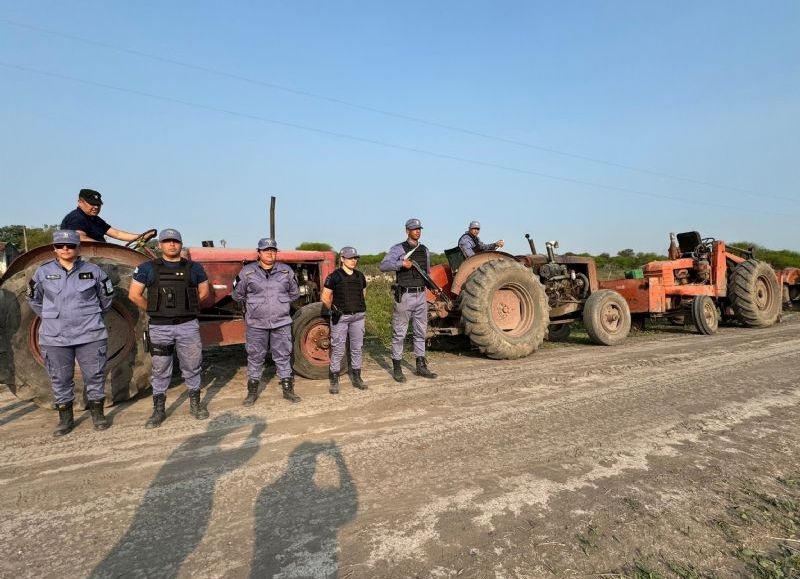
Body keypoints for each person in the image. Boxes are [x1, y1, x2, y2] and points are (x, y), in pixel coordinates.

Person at [27, 229, 114, 436]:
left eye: (70, 245)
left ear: (79, 248)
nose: (65, 249)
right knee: (60, 378)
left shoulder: (94, 271)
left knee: (95, 375)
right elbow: (33, 299)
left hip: (90, 334)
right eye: (60, 246)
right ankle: (65, 420)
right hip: (55, 337)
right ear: (54, 248)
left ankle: (97, 415)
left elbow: (107, 298)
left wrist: (90, 316)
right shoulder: (42, 272)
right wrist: (51, 316)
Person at [128, 228, 210, 428]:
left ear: (180, 244)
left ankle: (196, 405)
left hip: (187, 325)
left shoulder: (194, 268)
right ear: (160, 245)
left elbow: (204, 292)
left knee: (192, 365)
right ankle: (158, 410)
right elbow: (134, 295)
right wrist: (156, 310)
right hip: (160, 327)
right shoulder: (147, 268)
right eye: (167, 241)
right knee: (160, 368)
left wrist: (187, 307)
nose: (171, 244)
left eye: (175, 241)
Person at [232, 238, 301, 405]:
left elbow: (295, 293)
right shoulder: (247, 272)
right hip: (256, 323)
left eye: (273, 250)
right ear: (259, 252)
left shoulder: (286, 271)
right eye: (266, 250)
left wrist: (279, 304)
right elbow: (237, 294)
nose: (270, 253)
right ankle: (252, 391)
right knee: (255, 357)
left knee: (283, 355)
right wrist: (256, 306)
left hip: (281, 322)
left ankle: (287, 389)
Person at [379, 218, 437, 382]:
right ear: (407, 231)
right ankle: (397, 369)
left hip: (421, 295)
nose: (417, 231)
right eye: (414, 229)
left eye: (419, 229)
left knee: (420, 332)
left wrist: (431, 287)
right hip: (404, 295)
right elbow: (383, 265)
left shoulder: (424, 250)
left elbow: (426, 272)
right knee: (400, 333)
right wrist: (400, 264)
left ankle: (421, 366)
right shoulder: (399, 249)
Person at [321, 246, 369, 394]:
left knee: (357, 348)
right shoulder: (334, 276)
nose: (353, 261)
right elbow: (325, 297)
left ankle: (356, 376)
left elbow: (363, 293)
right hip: (341, 318)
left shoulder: (360, 276)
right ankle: (334, 378)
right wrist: (334, 310)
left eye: (355, 258)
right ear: (342, 259)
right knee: (338, 349)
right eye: (350, 258)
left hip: (358, 317)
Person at [61, 188, 145, 243]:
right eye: (92, 204)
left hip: (98, 255)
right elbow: (80, 238)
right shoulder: (76, 217)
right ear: (80, 202)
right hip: (83, 259)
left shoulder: (95, 220)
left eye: (98, 204)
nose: (96, 207)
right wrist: (106, 248)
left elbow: (117, 234)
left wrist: (141, 237)